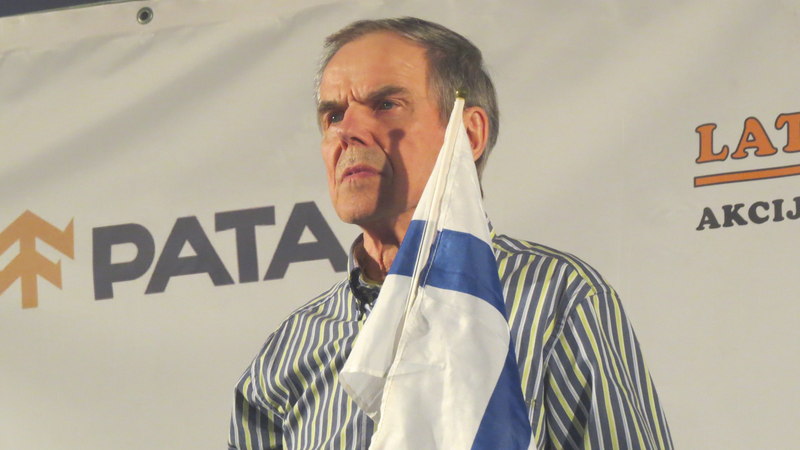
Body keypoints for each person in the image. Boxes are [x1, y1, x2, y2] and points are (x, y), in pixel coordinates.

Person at [229, 17, 672, 449]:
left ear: (468, 134)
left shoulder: (557, 297)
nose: (348, 131)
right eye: (333, 115)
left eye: (385, 104)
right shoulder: (289, 349)